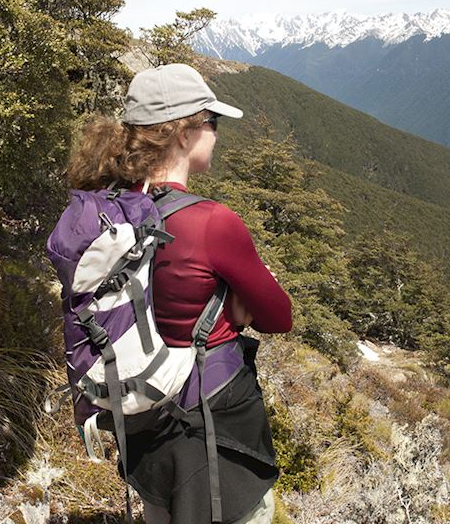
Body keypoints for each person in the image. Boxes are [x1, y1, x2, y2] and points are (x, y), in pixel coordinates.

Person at [64, 63, 293, 523]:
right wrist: (235, 307)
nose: (216, 133)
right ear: (184, 134)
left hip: (144, 421)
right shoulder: (211, 222)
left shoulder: (109, 209)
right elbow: (278, 317)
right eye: (213, 122)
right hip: (211, 426)